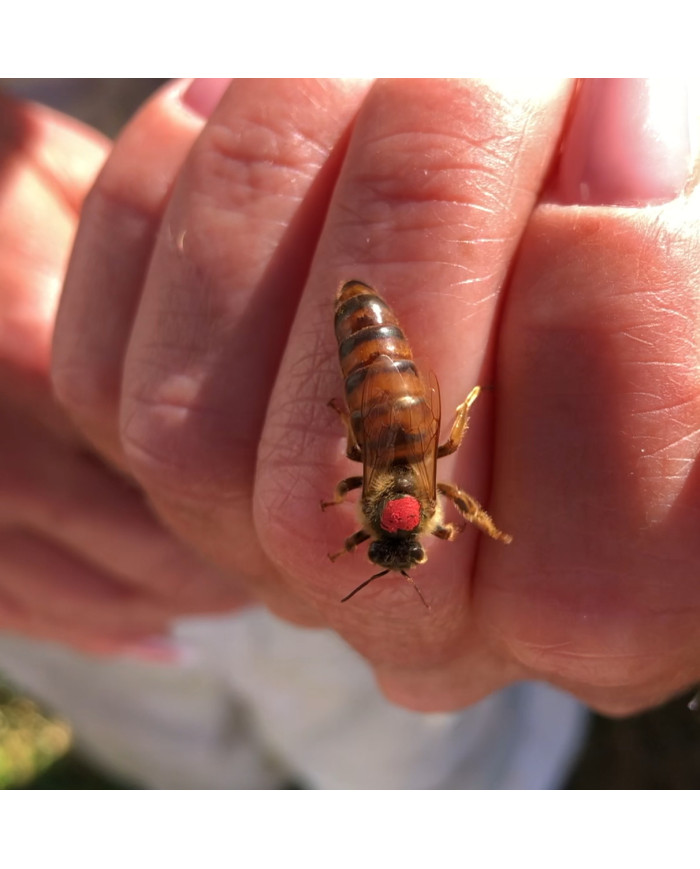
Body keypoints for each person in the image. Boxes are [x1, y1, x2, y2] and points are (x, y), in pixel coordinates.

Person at [0, 78, 696, 788]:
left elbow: (421, 482)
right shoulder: (379, 505)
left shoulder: (413, 501)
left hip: (378, 380)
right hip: (368, 384)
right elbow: (371, 484)